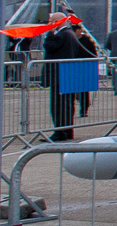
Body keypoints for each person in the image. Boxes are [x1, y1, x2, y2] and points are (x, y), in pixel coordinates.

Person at [42, 11, 97, 142]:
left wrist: (49, 33)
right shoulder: (70, 34)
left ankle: (60, 131)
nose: (49, 24)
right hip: (66, 73)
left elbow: (49, 46)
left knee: (58, 105)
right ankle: (67, 130)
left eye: (51, 22)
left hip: (59, 74)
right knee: (66, 104)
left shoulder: (62, 35)